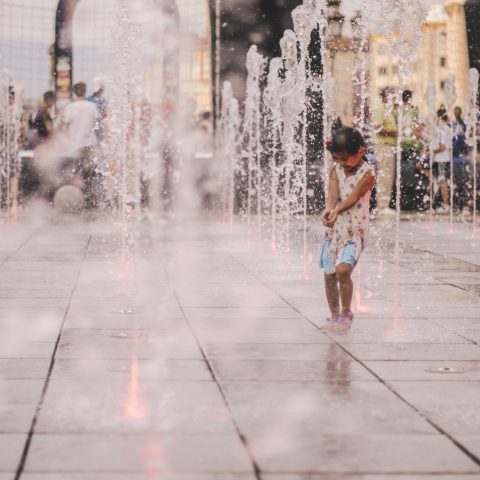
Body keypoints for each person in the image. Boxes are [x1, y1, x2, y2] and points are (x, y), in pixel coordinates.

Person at [319, 127, 375, 332]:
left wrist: (337, 210)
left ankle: (347, 313)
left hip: (356, 230)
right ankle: (334, 316)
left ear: (359, 153)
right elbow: (333, 194)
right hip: (335, 230)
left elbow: (353, 199)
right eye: (336, 158)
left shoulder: (367, 173)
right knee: (329, 274)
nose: (341, 163)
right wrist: (328, 210)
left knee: (343, 270)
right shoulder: (336, 169)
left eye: (345, 159)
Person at [62, 82, 100, 207]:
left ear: (74, 92)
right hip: (90, 144)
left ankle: (74, 200)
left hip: (75, 145)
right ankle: (91, 201)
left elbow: (65, 126)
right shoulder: (92, 106)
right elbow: (97, 124)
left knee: (75, 173)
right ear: (84, 91)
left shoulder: (70, 107)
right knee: (90, 174)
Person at [373, 87, 397, 215]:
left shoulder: (388, 110)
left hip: (388, 145)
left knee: (388, 175)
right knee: (384, 175)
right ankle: (382, 206)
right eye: (391, 95)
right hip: (383, 145)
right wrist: (394, 132)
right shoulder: (381, 109)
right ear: (385, 96)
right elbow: (377, 127)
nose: (393, 97)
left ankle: (385, 204)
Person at [450, 106, 472, 214]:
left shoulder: (464, 124)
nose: (456, 113)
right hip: (454, 156)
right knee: (456, 180)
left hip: (462, 155)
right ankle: (458, 204)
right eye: (455, 111)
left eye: (458, 111)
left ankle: (464, 204)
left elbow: (465, 138)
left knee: (463, 180)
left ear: (461, 112)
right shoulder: (452, 123)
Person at [432, 108, 452, 214]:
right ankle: (442, 204)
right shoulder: (447, 128)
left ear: (439, 117)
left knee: (442, 183)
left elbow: (442, 147)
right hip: (446, 159)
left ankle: (446, 204)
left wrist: (431, 150)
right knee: (442, 182)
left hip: (441, 160)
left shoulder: (441, 131)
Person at [86, 76, 108, 143]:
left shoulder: (87, 99)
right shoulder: (103, 101)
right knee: (98, 143)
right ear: (101, 89)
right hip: (99, 125)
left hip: (89, 125)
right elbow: (105, 114)